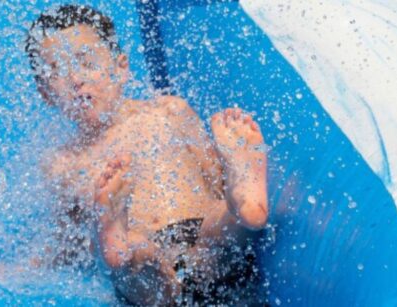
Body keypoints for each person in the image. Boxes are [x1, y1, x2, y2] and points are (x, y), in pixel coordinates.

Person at [25, 4, 269, 305]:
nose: (76, 79)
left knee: (220, 218)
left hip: (200, 234)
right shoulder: (62, 165)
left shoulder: (168, 111)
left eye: (86, 62)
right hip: (143, 263)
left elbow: (214, 180)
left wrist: (227, 188)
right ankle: (118, 235)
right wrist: (15, 270)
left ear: (121, 68)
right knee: (134, 255)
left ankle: (244, 200)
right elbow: (68, 243)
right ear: (46, 94)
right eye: (59, 72)